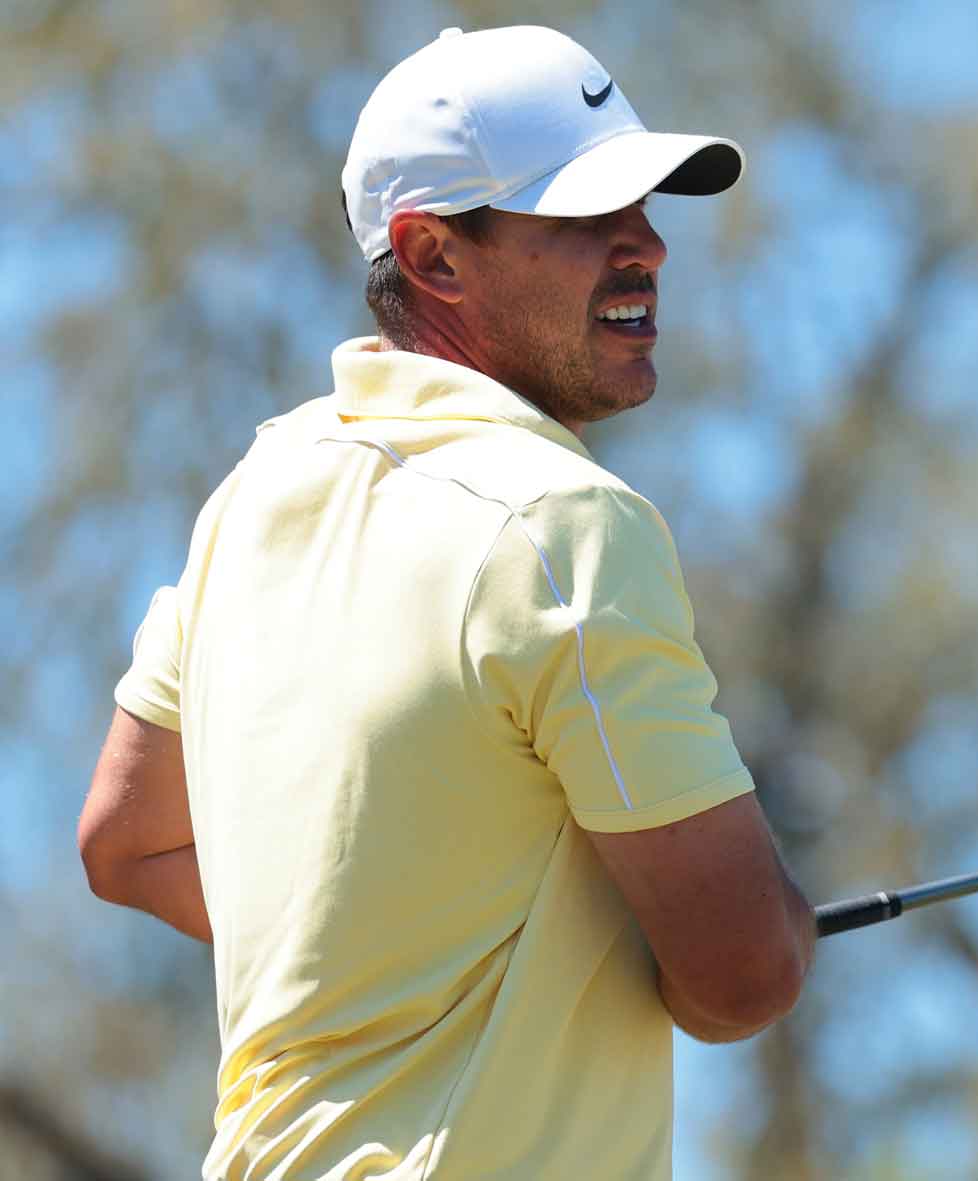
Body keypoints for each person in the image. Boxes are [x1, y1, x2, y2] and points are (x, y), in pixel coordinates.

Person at [74, 25, 815, 1179]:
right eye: (584, 218)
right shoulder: (563, 525)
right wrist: (776, 923)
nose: (650, 249)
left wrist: (409, 930)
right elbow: (741, 975)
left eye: (647, 208)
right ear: (431, 256)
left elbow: (125, 843)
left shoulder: (252, 496)